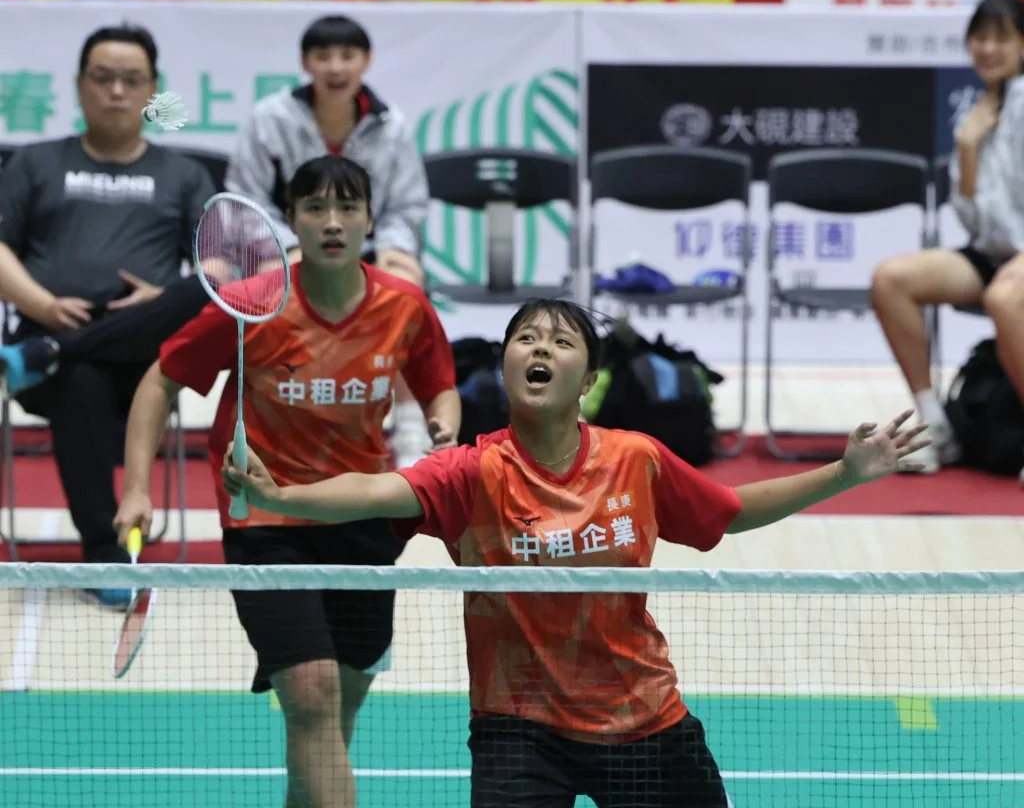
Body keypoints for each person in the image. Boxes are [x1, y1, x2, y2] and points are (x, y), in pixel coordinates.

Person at [222, 297, 929, 808]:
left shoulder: (636, 461)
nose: (540, 350)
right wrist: (284, 494)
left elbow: (732, 511)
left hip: (642, 719)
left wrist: (844, 474)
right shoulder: (472, 473)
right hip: (519, 729)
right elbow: (377, 491)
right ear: (505, 365)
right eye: (525, 339)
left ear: (588, 379)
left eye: (561, 343)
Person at [114, 154, 459, 808]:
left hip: (361, 519)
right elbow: (160, 381)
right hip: (265, 522)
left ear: (370, 220)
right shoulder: (252, 304)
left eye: (347, 208)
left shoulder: (404, 306)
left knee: (333, 712)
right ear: (292, 219)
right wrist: (137, 488)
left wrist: (444, 426)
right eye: (316, 208)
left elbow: (439, 384)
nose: (332, 222)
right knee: (309, 694)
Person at [0, 23, 215, 604]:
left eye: (131, 79)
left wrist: (159, 296)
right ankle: (104, 551)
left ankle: (42, 355)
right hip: (53, 344)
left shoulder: (184, 174)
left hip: (146, 359)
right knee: (83, 378)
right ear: (79, 86)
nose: (116, 91)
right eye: (102, 78)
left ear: (153, 91)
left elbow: (217, 264)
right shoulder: (35, 163)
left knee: (209, 285)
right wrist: (42, 305)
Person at [225, 14, 431, 467]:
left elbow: (407, 204)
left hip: (366, 245)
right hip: (287, 246)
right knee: (274, 282)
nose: (336, 67)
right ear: (305, 63)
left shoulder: (392, 126)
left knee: (404, 284)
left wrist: (395, 248)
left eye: (347, 56)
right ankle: (282, 417)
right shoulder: (269, 119)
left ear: (366, 61)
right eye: (323, 56)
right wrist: (288, 244)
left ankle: (411, 427)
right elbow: (245, 200)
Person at [871, 0, 1024, 476]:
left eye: (1001, 38)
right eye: (979, 37)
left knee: (1004, 298)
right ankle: (935, 427)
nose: (988, 48)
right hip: (996, 251)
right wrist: (967, 146)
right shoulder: (980, 109)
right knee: (891, 279)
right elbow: (974, 220)